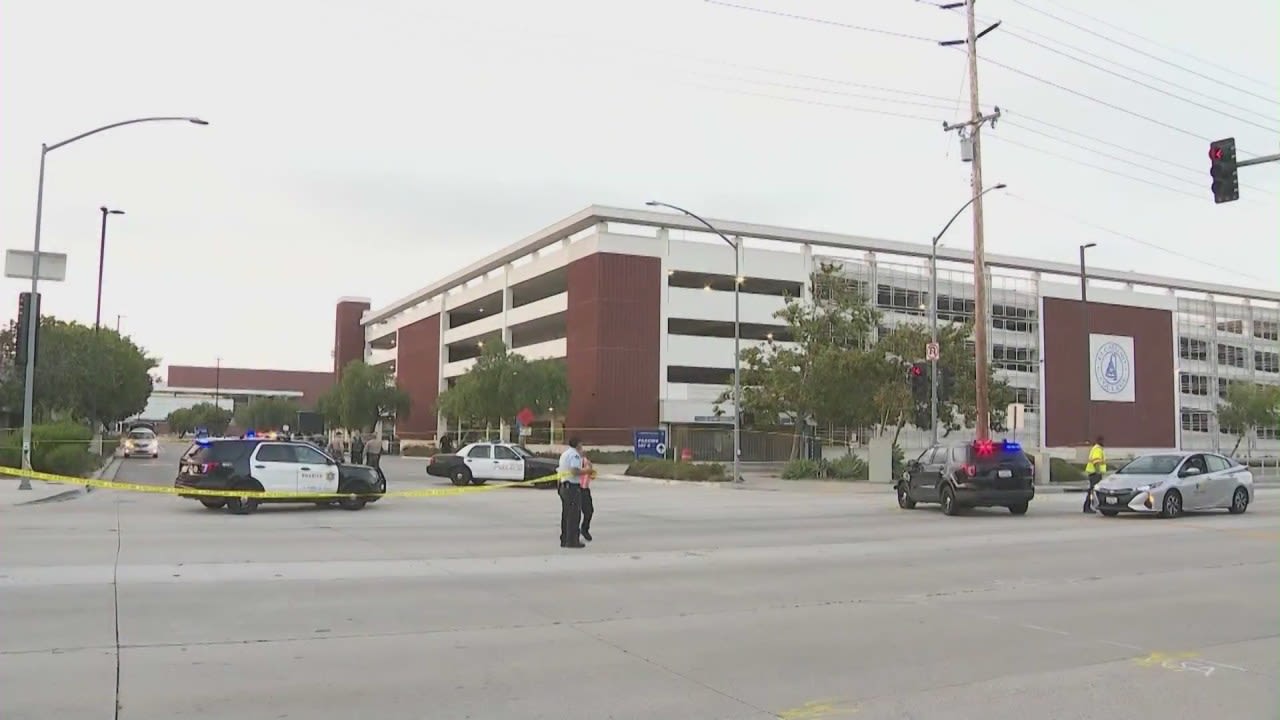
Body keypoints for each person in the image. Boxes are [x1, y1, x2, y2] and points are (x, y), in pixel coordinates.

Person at [557, 437, 587, 549]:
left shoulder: (565, 454)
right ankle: (572, 541)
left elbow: (560, 471)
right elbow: (575, 471)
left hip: (564, 486)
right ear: (578, 444)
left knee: (566, 515)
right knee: (574, 515)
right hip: (572, 488)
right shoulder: (574, 455)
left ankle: (564, 539)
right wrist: (587, 471)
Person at [1084, 435, 1106, 512]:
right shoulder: (1097, 450)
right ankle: (1088, 507)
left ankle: (1087, 506)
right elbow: (1096, 462)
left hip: (1092, 473)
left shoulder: (1095, 448)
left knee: (1091, 491)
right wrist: (1098, 472)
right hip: (1095, 474)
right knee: (1093, 491)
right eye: (1102, 440)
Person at [580, 456, 596, 542]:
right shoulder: (574, 460)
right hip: (577, 489)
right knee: (575, 512)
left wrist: (591, 470)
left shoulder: (586, 461)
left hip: (585, 489)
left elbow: (592, 476)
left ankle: (584, 529)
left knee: (589, 511)